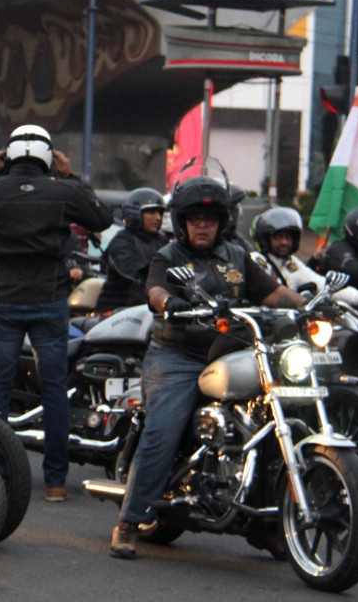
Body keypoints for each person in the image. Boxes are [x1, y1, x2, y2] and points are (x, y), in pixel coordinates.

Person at [109, 175, 302, 559]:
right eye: (195, 218)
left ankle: (267, 524)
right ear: (181, 222)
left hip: (229, 350)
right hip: (177, 355)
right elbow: (155, 290)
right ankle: (129, 521)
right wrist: (168, 304)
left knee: (269, 423)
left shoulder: (237, 256)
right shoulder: (169, 256)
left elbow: (273, 292)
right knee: (162, 429)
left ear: (222, 223)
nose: (202, 225)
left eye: (210, 219)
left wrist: (308, 302)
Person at [0, 124, 113, 502]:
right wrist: (72, 177)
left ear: (11, 154)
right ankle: (54, 481)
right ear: (49, 156)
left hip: (3, 299)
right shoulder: (63, 190)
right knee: (54, 389)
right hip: (49, 299)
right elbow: (102, 219)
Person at [250, 206, 358, 308]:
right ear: (265, 239)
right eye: (278, 237)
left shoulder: (291, 263)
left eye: (288, 237)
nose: (284, 242)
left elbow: (323, 285)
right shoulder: (255, 261)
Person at [95, 188, 168, 314]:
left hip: (148, 310)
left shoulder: (161, 241)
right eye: (151, 212)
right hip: (117, 310)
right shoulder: (122, 241)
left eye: (159, 213)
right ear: (134, 214)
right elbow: (132, 272)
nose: (157, 217)